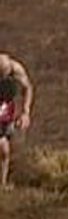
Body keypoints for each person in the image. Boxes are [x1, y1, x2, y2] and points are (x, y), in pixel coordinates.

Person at [0, 55, 33, 187]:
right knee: (3, 148)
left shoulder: (16, 70)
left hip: (5, 108)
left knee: (8, 147)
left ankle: (3, 184)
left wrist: (25, 112)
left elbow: (27, 88)